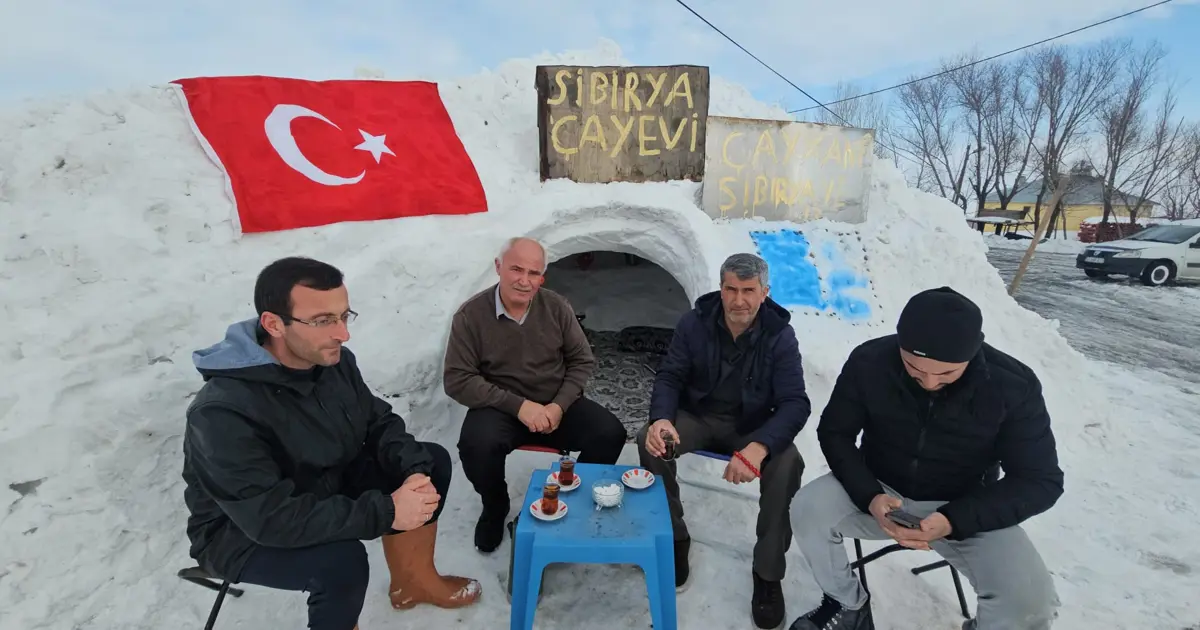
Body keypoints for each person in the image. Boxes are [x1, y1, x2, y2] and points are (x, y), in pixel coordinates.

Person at [181, 257, 481, 630]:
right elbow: (269, 518)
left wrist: (413, 474)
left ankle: (413, 584)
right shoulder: (221, 412)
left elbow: (376, 421)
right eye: (323, 321)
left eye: (344, 315)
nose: (343, 334)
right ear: (273, 324)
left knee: (429, 462)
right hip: (240, 530)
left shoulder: (332, 361)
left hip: (323, 481)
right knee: (341, 563)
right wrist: (387, 511)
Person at [788, 287, 1063, 630]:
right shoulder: (870, 361)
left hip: (964, 509)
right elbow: (836, 433)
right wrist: (869, 495)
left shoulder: (1012, 385)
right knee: (807, 508)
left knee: (1029, 600)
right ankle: (848, 604)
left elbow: (1040, 480)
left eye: (946, 374)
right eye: (914, 368)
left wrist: (954, 519)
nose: (929, 382)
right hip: (879, 491)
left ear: (973, 351)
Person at [637, 252, 811, 630]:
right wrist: (662, 418)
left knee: (787, 463)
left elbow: (795, 402)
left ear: (764, 292)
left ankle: (767, 573)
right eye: (731, 289)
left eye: (748, 290)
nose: (738, 300)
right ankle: (674, 537)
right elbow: (669, 376)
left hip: (752, 426)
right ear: (721, 287)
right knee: (648, 440)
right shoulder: (694, 323)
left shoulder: (780, 335)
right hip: (698, 417)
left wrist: (760, 447)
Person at [443, 236, 627, 552]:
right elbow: (457, 379)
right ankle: (495, 504)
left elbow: (582, 360)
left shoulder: (557, 307)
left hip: (555, 403)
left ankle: (568, 498)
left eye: (533, 273)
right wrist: (518, 406)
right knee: (476, 444)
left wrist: (558, 405)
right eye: (516, 269)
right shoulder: (470, 316)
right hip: (501, 407)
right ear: (499, 267)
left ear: (542, 277)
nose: (524, 281)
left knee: (610, 433)